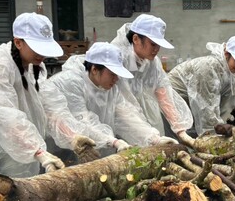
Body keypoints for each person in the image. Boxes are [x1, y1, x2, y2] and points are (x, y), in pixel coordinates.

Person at [0, 12, 94, 178]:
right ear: (18, 42)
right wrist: (39, 152)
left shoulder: (33, 66)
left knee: (13, 184)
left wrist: (72, 136)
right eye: (37, 48)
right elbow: (6, 117)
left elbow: (49, 107)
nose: (42, 54)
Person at [43, 41, 178, 153]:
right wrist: (113, 141)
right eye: (112, 73)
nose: (116, 78)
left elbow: (126, 116)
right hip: (62, 146)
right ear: (95, 69)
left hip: (93, 143)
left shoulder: (110, 88)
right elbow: (82, 121)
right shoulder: (71, 82)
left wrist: (154, 139)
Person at [110, 14, 195, 146]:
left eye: (158, 45)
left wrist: (180, 130)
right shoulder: (117, 59)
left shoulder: (152, 62)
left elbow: (163, 93)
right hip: (120, 123)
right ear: (136, 38)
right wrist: (150, 137)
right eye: (153, 44)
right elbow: (121, 106)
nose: (156, 49)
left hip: (146, 122)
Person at [168, 35, 235, 136]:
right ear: (226, 53)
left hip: (194, 101)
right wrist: (216, 133)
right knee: (178, 137)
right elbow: (206, 107)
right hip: (175, 100)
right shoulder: (208, 68)